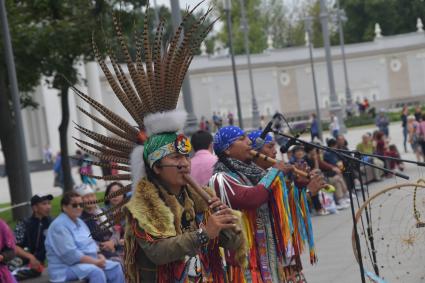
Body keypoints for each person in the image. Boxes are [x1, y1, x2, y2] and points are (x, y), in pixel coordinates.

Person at [71, 5, 244, 282]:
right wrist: (204, 232)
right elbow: (159, 251)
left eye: (185, 157)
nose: (183, 163)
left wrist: (228, 225)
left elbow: (231, 244)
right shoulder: (143, 202)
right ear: (155, 167)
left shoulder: (194, 196)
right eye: (175, 159)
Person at [211, 126, 326, 282]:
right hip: (245, 263)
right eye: (242, 139)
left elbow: (280, 209)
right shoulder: (221, 178)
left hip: (269, 257)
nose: (248, 142)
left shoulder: (256, 174)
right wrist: (275, 173)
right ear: (227, 150)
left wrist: (300, 187)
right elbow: (251, 198)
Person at [45, 191, 125, 283]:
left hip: (86, 262)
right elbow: (71, 255)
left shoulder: (79, 222)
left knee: (115, 267)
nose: (79, 208)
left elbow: (90, 244)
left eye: (81, 204)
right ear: (64, 207)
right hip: (64, 268)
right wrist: (95, 262)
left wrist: (100, 256)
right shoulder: (59, 226)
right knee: (96, 272)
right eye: (74, 205)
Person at [75, 184, 122, 263]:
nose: (90, 199)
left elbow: (116, 230)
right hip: (99, 253)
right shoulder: (80, 219)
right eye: (86, 197)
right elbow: (86, 240)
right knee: (119, 262)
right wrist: (104, 246)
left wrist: (112, 242)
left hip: (115, 246)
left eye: (92, 196)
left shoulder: (103, 211)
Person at [13, 194, 53, 280]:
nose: (48, 207)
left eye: (49, 203)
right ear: (35, 208)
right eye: (44, 204)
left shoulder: (53, 224)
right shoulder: (23, 223)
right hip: (20, 261)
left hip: (38, 266)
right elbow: (13, 246)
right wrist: (30, 257)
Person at [323, 138, 350, 209]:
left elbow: (340, 162)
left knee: (343, 174)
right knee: (338, 178)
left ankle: (345, 195)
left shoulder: (335, 152)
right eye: (335, 146)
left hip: (336, 171)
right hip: (329, 174)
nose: (336, 147)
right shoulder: (327, 154)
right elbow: (333, 164)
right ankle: (341, 198)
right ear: (332, 146)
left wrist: (342, 169)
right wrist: (339, 169)